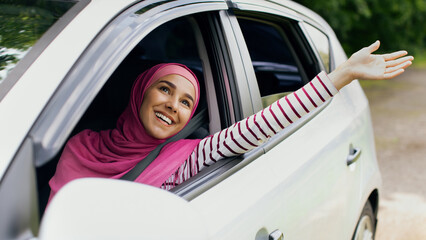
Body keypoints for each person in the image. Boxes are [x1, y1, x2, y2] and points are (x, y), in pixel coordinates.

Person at [48, 41, 413, 201]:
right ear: (140, 91)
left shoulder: (184, 158)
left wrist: (341, 76)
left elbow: (260, 126)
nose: (173, 105)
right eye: (164, 89)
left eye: (187, 102)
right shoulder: (80, 146)